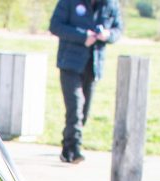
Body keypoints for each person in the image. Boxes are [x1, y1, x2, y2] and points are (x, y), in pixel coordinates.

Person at [50, 0, 123, 164]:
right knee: (75, 107)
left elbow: (118, 29)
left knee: (83, 112)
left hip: (93, 65)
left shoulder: (110, 4)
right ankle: (74, 150)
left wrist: (107, 35)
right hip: (70, 63)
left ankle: (67, 148)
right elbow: (55, 26)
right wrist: (83, 36)